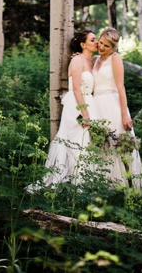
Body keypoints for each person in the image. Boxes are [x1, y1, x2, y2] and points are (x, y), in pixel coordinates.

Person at [38, 30, 99, 187]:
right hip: (77, 104)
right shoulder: (77, 60)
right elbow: (77, 89)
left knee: (87, 142)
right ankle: (74, 181)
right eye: (93, 40)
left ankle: (84, 179)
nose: (97, 42)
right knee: (77, 139)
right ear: (83, 44)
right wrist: (84, 113)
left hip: (89, 102)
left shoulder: (91, 62)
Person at [91, 27, 142, 189]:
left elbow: (121, 87)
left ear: (113, 47)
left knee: (119, 144)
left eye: (106, 46)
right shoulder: (94, 60)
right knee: (101, 143)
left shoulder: (115, 58)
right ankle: (103, 183)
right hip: (97, 106)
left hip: (113, 105)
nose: (101, 47)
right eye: (100, 43)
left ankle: (126, 184)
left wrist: (124, 114)